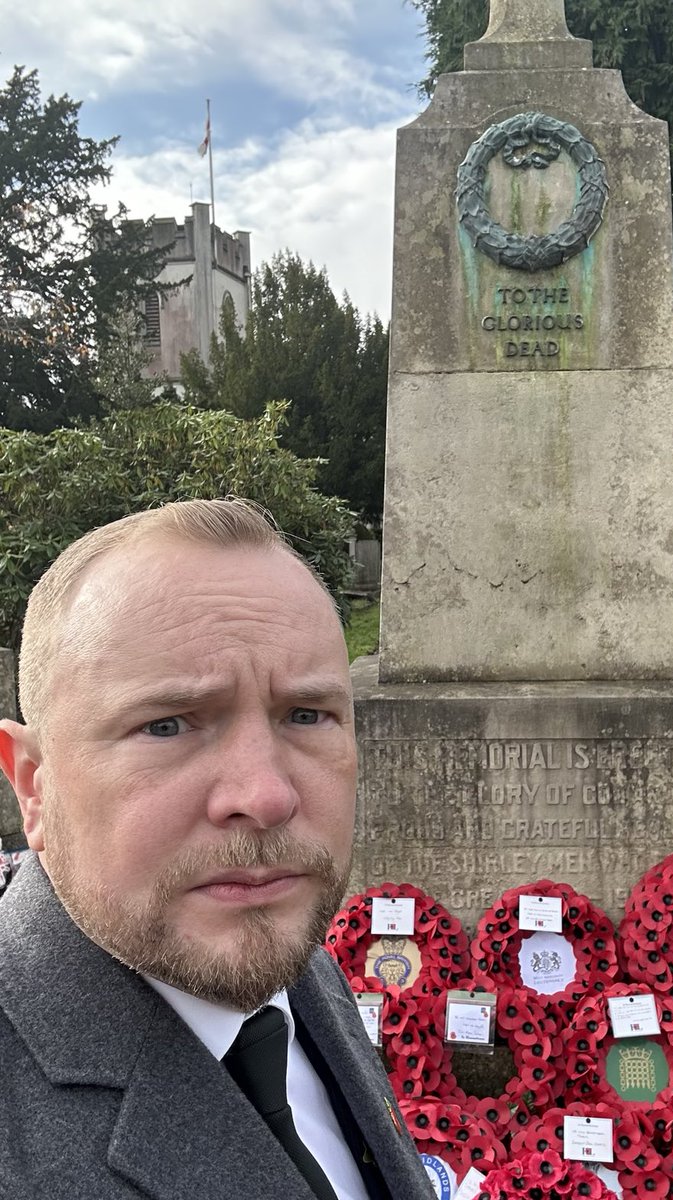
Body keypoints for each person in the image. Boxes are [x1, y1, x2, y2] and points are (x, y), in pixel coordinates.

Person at [0, 498, 434, 1199]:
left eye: (307, 715)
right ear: (32, 783)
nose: (266, 796)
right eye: (168, 725)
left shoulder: (290, 963)